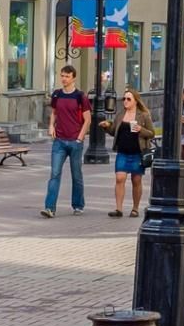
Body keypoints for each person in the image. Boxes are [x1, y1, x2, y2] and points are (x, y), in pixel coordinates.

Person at [42, 65, 92, 217]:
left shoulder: (80, 96)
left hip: (75, 141)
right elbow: (54, 113)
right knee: (55, 174)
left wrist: (79, 138)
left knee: (76, 174)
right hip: (59, 141)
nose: (63, 79)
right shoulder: (57, 94)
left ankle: (78, 205)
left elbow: (87, 119)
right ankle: (50, 208)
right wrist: (51, 126)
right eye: (62, 75)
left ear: (73, 78)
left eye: (67, 76)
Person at [99, 90, 154, 218]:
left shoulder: (143, 115)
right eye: (124, 98)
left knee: (136, 180)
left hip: (137, 152)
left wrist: (141, 130)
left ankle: (135, 208)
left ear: (136, 100)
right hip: (122, 152)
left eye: (129, 99)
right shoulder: (120, 114)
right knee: (120, 178)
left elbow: (151, 133)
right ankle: (118, 209)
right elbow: (114, 131)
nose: (125, 101)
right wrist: (107, 126)